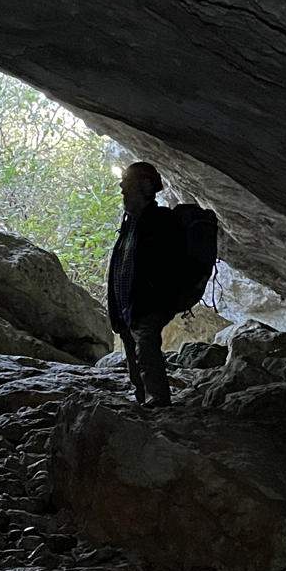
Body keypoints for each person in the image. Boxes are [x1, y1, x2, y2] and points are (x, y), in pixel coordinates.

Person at [106, 160, 181, 408]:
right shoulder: (130, 222)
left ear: (145, 186)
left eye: (127, 182)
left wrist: (155, 298)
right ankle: (144, 399)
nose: (121, 187)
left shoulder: (160, 221)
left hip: (147, 302)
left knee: (146, 347)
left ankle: (157, 400)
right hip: (129, 303)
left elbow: (165, 266)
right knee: (135, 351)